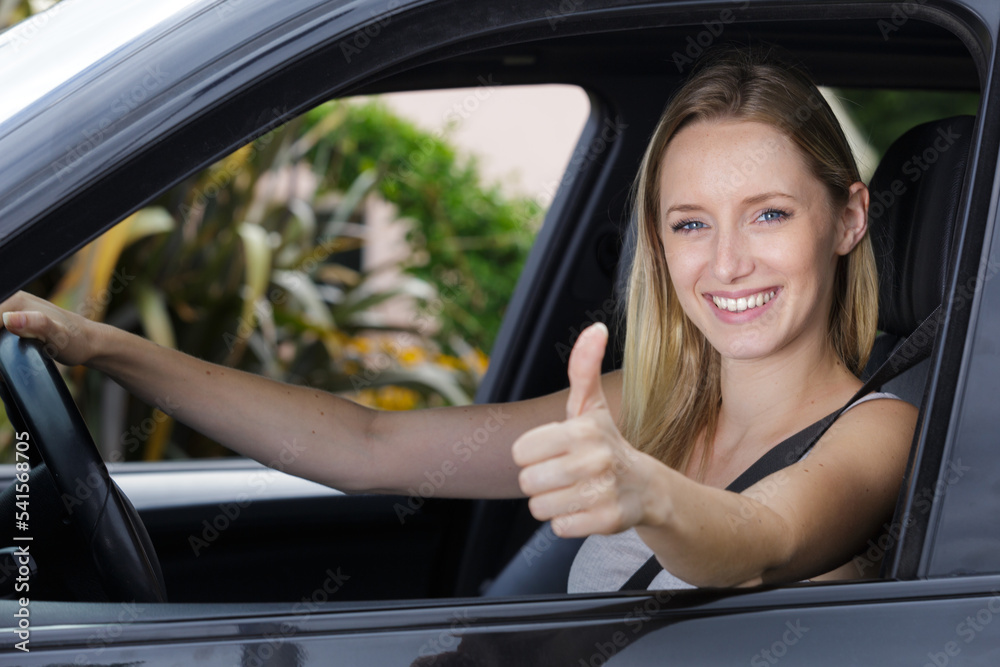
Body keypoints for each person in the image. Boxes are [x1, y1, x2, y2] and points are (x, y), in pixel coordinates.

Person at [0, 46, 917, 592]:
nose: (726, 262)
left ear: (848, 219)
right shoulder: (651, 401)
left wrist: (648, 494)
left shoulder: (884, 429)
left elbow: (762, 541)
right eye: (690, 224)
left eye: (769, 214)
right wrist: (101, 344)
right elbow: (366, 446)